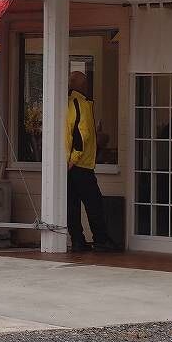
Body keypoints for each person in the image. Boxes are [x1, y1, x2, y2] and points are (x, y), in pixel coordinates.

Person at [65, 71, 111, 255]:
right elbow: (82, 135)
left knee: (72, 205)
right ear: (81, 85)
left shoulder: (64, 102)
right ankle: (100, 240)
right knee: (94, 203)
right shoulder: (81, 104)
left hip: (66, 164)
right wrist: (74, 159)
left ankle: (77, 240)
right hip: (81, 164)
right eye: (85, 83)